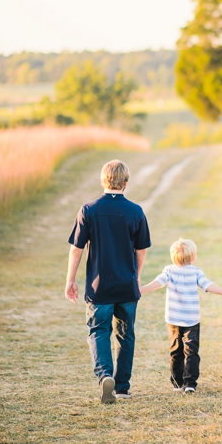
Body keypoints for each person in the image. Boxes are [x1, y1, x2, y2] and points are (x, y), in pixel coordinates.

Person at [64, 160, 151, 404]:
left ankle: (104, 377)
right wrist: (136, 275)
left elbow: (76, 249)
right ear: (126, 182)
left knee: (99, 331)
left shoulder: (88, 210)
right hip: (126, 286)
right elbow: (141, 250)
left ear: (103, 180)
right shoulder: (136, 211)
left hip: (98, 287)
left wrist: (71, 279)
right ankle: (122, 387)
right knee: (126, 335)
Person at [139, 238, 222, 393]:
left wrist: (141, 290)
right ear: (193, 257)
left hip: (173, 319)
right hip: (191, 320)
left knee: (175, 351)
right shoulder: (196, 272)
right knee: (191, 351)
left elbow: (157, 283)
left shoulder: (169, 270)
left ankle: (178, 383)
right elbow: (208, 286)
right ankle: (190, 383)